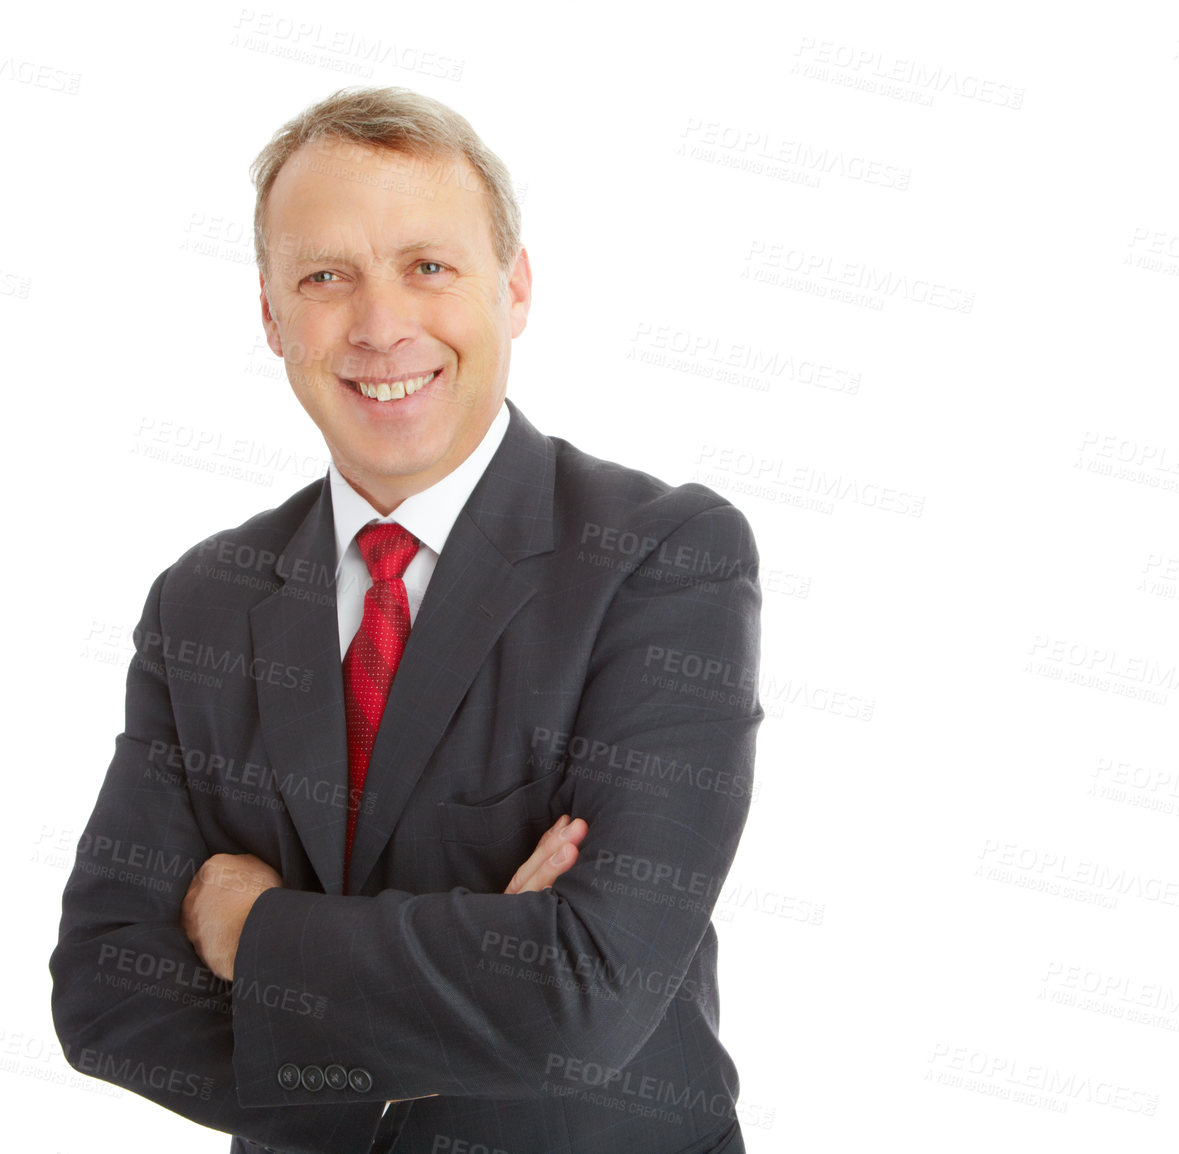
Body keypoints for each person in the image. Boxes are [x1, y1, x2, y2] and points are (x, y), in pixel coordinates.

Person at [49, 86, 761, 1154]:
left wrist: (251, 931)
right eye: (326, 276)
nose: (381, 326)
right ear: (271, 315)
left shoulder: (660, 558)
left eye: (428, 266)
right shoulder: (202, 598)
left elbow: (586, 998)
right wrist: (468, 1005)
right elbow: (107, 989)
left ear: (512, 288)